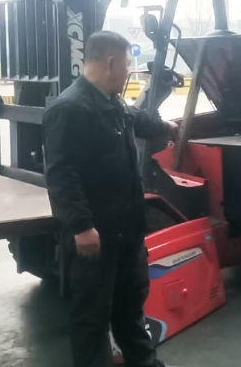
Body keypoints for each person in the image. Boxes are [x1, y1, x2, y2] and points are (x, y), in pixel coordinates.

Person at [43, 31, 177, 367]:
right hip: (97, 237)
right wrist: (81, 226)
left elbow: (136, 118)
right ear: (112, 63)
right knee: (91, 318)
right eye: (128, 64)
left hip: (126, 232)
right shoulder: (70, 109)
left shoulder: (110, 102)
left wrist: (165, 126)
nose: (129, 70)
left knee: (130, 310)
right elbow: (61, 174)